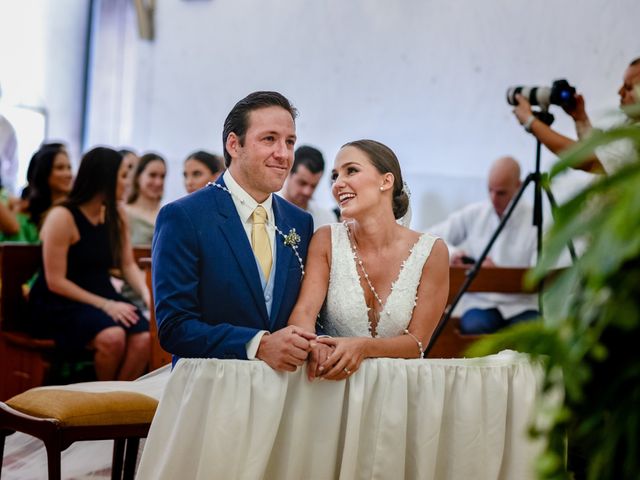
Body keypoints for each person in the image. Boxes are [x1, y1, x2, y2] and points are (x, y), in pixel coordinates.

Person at [152, 91, 316, 369]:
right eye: (269, 139)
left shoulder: (299, 222)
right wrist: (258, 344)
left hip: (286, 389)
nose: (284, 154)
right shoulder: (184, 216)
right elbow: (174, 327)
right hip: (212, 386)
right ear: (233, 144)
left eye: (290, 142)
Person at [288, 139, 449, 380]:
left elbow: (417, 343)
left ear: (386, 181)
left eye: (351, 170)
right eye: (334, 176)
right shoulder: (326, 240)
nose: (337, 184)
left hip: (398, 387)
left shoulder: (431, 251)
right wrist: (315, 344)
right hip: (331, 383)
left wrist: (362, 347)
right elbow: (304, 312)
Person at [29, 147, 150, 381]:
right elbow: (55, 281)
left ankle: (117, 402)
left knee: (144, 336)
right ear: (104, 178)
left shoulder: (117, 214)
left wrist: (147, 295)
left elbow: (127, 264)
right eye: (123, 176)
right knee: (112, 337)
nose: (127, 183)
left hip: (99, 290)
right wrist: (106, 305)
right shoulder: (62, 216)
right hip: (61, 301)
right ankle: (96, 404)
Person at [428, 156, 539, 334]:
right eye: (490, 190)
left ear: (518, 186)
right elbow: (430, 238)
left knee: (531, 333)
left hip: (521, 305)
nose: (494, 199)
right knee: (474, 327)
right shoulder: (476, 213)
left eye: (501, 193)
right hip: (482, 302)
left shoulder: (536, 220)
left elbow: (539, 273)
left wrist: (496, 274)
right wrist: (454, 254)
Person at [512, 57, 640, 174]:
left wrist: (531, 122)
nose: (620, 92)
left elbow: (586, 159)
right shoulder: (628, 123)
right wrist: (580, 118)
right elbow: (597, 152)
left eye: (628, 88)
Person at [281, 145, 337, 228]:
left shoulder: (327, 219)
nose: (307, 191)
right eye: (302, 183)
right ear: (288, 173)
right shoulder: (266, 208)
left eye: (313, 186)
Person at [125, 153, 166, 245]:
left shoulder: (167, 213)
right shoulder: (125, 213)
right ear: (138, 177)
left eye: (162, 176)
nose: (158, 182)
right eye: (152, 175)